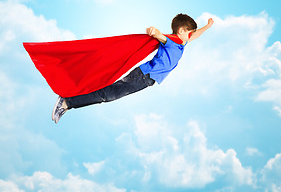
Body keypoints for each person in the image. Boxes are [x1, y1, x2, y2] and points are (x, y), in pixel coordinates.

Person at [52, 14, 214, 123]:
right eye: (189, 32)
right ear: (181, 31)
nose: (191, 35)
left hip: (145, 79)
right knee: (107, 95)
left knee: (107, 94)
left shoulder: (182, 42)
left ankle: (70, 99)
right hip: (142, 76)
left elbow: (196, 35)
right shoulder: (172, 41)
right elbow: (159, 36)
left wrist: (207, 26)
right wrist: (154, 31)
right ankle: (67, 102)